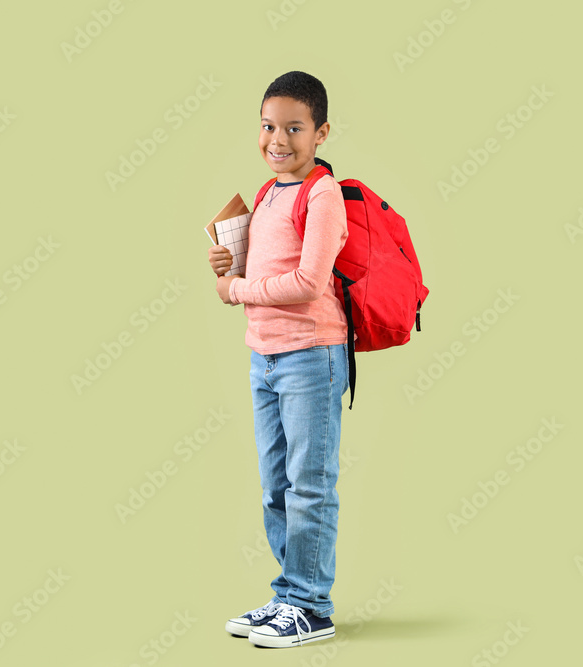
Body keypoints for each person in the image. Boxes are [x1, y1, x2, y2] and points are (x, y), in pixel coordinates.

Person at [208, 70, 349, 649]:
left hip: (311, 357)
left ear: (321, 133)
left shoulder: (322, 192)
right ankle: (289, 594)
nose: (277, 140)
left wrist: (236, 291)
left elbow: (310, 283)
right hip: (264, 357)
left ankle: (312, 606)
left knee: (309, 484)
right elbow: (260, 273)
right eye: (268, 126)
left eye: (294, 128)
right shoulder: (268, 193)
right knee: (276, 484)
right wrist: (228, 266)